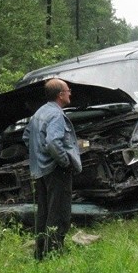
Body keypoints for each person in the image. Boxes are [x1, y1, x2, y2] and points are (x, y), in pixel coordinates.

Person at [22, 78, 82, 259]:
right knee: (59, 214)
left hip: (40, 170)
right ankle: (54, 254)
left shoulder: (40, 112)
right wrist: (64, 162)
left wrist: (39, 156)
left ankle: (40, 254)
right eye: (68, 90)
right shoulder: (56, 115)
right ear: (60, 95)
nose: (70, 92)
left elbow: (27, 136)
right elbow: (53, 142)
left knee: (44, 213)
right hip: (56, 170)